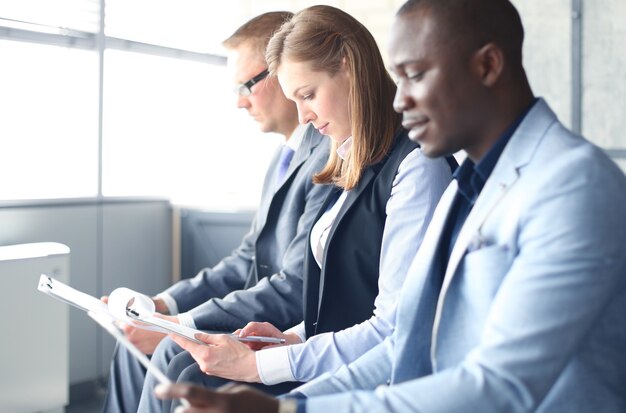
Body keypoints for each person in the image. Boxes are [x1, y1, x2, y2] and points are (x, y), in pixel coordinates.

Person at [154, 0, 626, 412]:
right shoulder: (468, 184)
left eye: (415, 75)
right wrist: (288, 403)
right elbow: (404, 338)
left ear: (487, 66)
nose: (400, 99)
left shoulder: (572, 184)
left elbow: (502, 387)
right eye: (398, 78)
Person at [142, 4, 455, 412]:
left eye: (308, 95)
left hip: (364, 376)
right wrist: (289, 338)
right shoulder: (351, 159)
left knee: (196, 376)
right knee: (189, 368)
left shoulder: (416, 166)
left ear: (349, 67)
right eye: (296, 99)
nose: (304, 116)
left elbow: (391, 331)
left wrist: (265, 362)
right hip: (324, 351)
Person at [101, 11, 334, 413]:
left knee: (171, 360)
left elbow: (295, 285)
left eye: (247, 84)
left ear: (281, 71)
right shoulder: (285, 156)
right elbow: (246, 257)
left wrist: (183, 324)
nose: (240, 101)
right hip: (255, 312)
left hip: (281, 323)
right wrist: (163, 306)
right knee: (132, 341)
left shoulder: (329, 154)